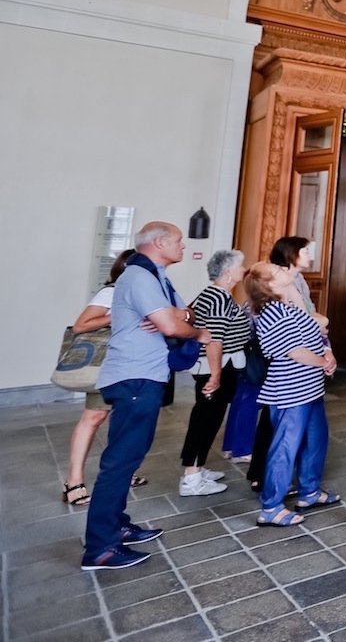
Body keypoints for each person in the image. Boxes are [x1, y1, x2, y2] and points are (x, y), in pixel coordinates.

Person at [81, 222, 214, 570]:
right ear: (159, 243)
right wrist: (195, 331)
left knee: (130, 457)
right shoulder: (139, 277)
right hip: (134, 378)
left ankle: (116, 526)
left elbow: (183, 313)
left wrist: (179, 316)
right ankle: (101, 547)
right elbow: (174, 326)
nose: (184, 247)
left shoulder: (157, 277)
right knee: (119, 462)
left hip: (146, 376)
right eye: (179, 242)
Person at [249, 260, 338, 527]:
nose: (282, 270)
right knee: (285, 447)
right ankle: (271, 506)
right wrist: (323, 362)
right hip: (290, 390)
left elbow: (317, 328)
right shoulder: (271, 312)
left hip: (310, 387)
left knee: (316, 440)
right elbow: (294, 351)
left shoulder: (289, 304)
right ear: (269, 285)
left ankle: (309, 491)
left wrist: (327, 353)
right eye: (276, 271)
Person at [247, 235, 325, 490]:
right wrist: (320, 333)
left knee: (306, 433)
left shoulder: (296, 280)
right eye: (305, 250)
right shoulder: (276, 290)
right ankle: (267, 484)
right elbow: (297, 330)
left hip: (306, 371)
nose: (311, 254)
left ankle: (302, 485)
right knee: (281, 430)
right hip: (289, 371)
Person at [62, 250, 139, 507]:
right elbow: (81, 325)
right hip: (105, 365)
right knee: (94, 417)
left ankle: (122, 471)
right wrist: (118, 314)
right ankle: (74, 482)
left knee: (124, 419)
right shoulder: (111, 292)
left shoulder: (139, 291)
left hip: (130, 365)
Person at [178, 249, 252, 497]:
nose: (244, 270)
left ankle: (197, 467)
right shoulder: (218, 298)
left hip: (220, 365)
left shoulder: (216, 294)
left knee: (209, 417)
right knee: (205, 419)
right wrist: (215, 375)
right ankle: (191, 477)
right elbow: (214, 340)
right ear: (228, 272)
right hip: (216, 366)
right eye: (240, 267)